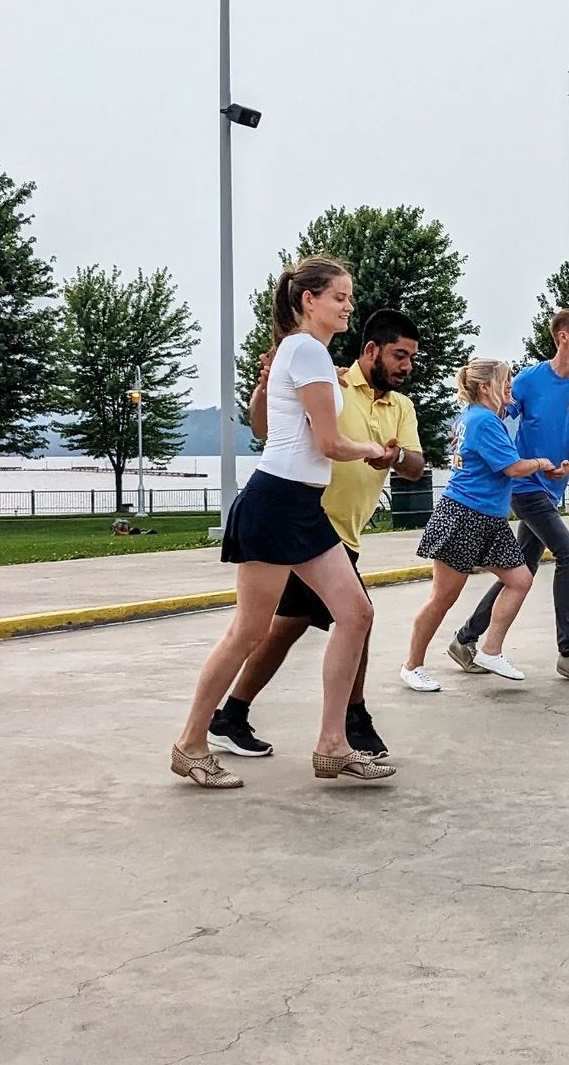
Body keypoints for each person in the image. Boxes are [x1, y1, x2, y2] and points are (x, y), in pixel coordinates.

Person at [171, 256, 394, 789]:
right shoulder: (308, 351)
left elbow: (272, 426)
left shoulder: (303, 353)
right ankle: (190, 744)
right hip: (276, 503)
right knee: (248, 631)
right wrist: (373, 451)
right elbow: (329, 443)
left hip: (298, 506)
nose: (348, 305)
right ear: (308, 300)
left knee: (356, 613)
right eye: (339, 297)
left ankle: (333, 745)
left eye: (349, 297)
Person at [206, 309, 425, 757]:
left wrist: (396, 455)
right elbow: (267, 430)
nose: (407, 366)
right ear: (371, 350)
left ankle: (228, 716)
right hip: (309, 523)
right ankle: (352, 721)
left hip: (342, 530)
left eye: (411, 358)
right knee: (354, 616)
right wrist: (266, 389)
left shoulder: (401, 407)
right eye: (399, 355)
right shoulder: (331, 382)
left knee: (283, 627)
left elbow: (417, 467)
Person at [449, 309, 569, 684]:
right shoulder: (530, 379)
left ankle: (465, 639)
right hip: (525, 486)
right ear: (562, 337)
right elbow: (494, 411)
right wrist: (495, 454)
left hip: (552, 485)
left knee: (523, 570)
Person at [405, 359, 551, 684]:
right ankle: (412, 666)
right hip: (464, 515)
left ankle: (490, 651)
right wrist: (541, 462)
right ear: (485, 386)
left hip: (490, 519)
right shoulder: (484, 420)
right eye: (505, 381)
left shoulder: (473, 418)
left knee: (520, 580)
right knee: (443, 597)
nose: (510, 386)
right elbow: (512, 468)